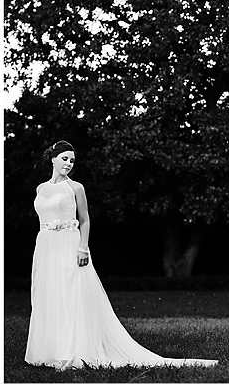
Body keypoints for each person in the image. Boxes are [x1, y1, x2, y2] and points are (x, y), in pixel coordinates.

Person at [24, 140, 218, 369]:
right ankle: (51, 349)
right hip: (46, 246)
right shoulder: (40, 189)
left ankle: (74, 348)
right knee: (50, 294)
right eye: (64, 158)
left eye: (72, 160)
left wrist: (82, 248)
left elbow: (85, 220)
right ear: (53, 158)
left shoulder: (75, 187)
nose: (68, 163)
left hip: (69, 244)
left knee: (72, 295)